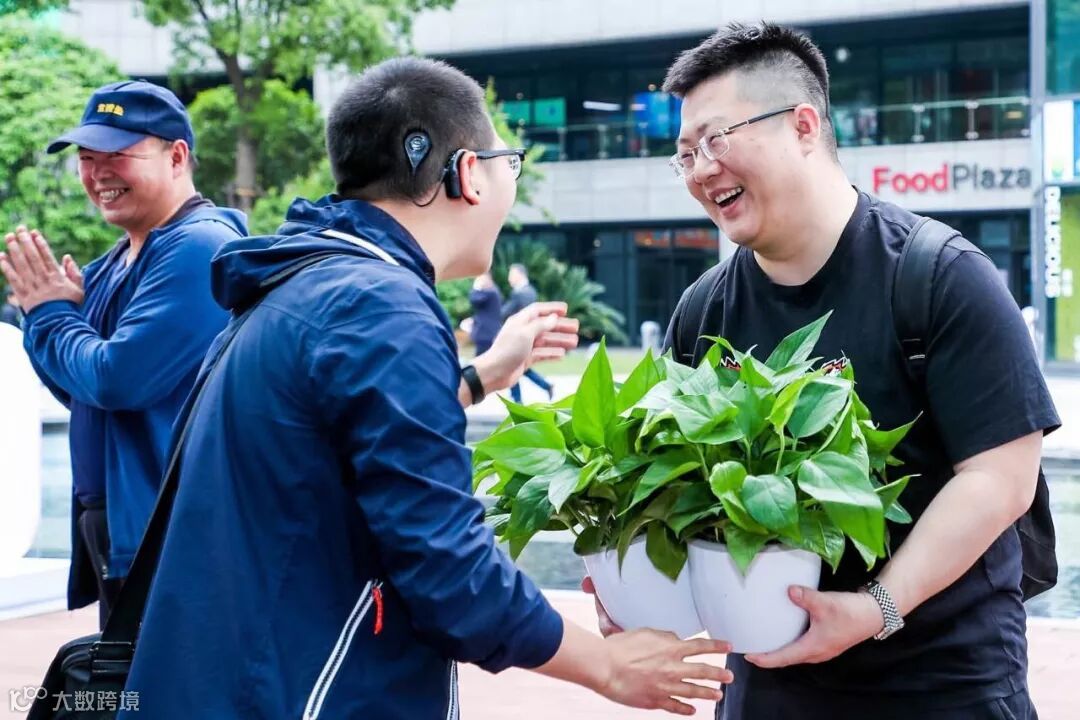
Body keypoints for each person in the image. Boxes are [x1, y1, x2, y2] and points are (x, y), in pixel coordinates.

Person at [120, 57, 733, 719]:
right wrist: (606, 665)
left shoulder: (305, 284)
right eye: (508, 162)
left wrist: (481, 376)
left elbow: (332, 438)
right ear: (468, 173)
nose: (509, 181)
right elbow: (447, 568)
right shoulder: (380, 306)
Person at [584, 22, 1058, 720]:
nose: (700, 170)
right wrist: (634, 591)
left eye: (716, 140)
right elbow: (672, 489)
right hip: (767, 692)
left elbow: (1000, 479)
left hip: (942, 686)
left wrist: (876, 607)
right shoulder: (703, 311)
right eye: (684, 155)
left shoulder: (940, 277)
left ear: (803, 126)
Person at [0, 80, 247, 629]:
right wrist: (42, 315)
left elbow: (115, 379)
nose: (98, 174)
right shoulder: (119, 259)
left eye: (117, 155)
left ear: (176, 156)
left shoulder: (199, 246)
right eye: (87, 159)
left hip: (171, 532)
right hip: (120, 526)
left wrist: (50, 313)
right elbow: (78, 388)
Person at [503, 263, 555, 402]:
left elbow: (505, 312)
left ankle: (518, 400)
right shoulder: (531, 291)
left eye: (511, 275)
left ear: (519, 275)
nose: (509, 278)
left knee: (514, 367)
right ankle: (545, 386)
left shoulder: (519, 293)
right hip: (528, 335)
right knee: (520, 367)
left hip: (518, 336)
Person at [468, 271, 504, 355]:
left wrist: (476, 288)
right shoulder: (492, 291)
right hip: (488, 333)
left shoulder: (490, 292)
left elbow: (474, 299)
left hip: (486, 334)